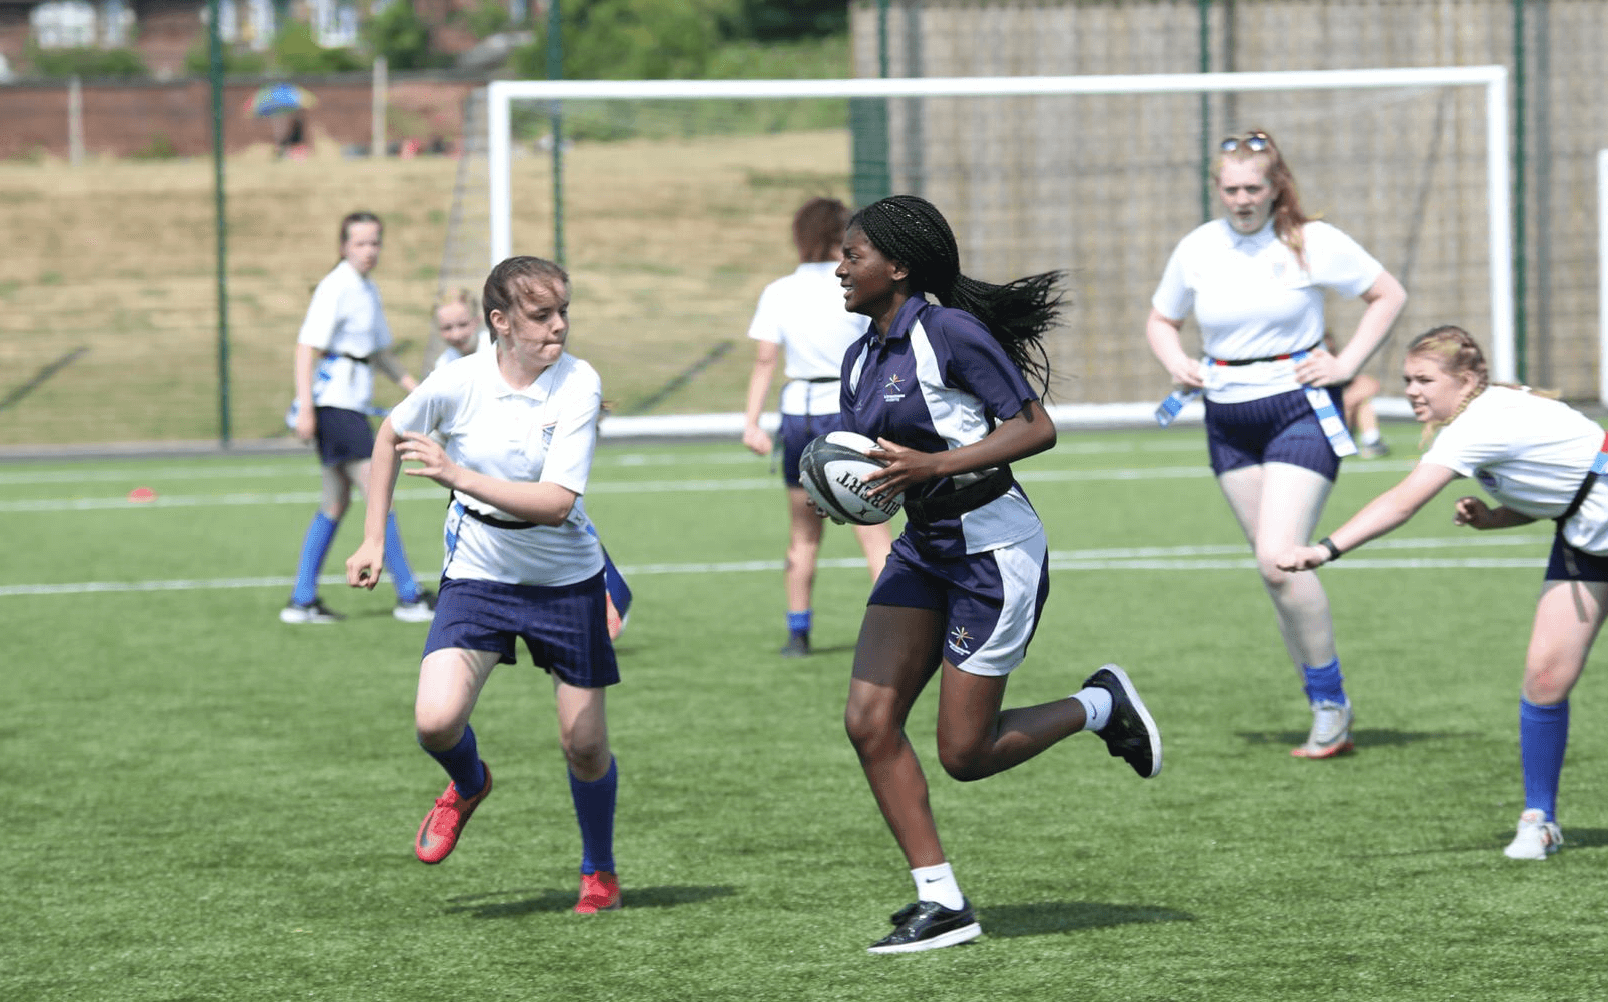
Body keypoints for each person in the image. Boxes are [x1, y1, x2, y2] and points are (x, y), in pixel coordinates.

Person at [835, 195, 1162, 954]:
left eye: (853, 256)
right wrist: (843, 489)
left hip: (993, 553)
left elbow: (1036, 427)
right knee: (867, 721)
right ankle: (941, 901)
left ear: (898, 266)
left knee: (965, 755)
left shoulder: (947, 332)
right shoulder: (859, 355)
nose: (840, 268)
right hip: (923, 548)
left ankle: (1098, 705)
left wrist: (935, 463)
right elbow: (862, 457)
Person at [346, 255, 624, 912]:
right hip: (479, 574)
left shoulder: (578, 382)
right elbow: (389, 434)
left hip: (564, 579)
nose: (557, 327)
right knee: (436, 722)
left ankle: (599, 870)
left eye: (563, 313)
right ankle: (468, 784)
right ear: (498, 322)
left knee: (584, 745)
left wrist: (455, 476)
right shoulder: (457, 380)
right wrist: (372, 536)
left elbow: (556, 502)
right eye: (540, 315)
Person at [1277, 325, 1603, 860]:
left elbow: (1402, 502)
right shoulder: (1490, 409)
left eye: (1425, 379)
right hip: (1586, 541)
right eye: (1407, 379)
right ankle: (1539, 818)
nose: (1411, 390)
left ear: (1468, 379)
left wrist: (1324, 550)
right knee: (1545, 679)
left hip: (1593, 531)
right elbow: (1570, 486)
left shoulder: (1476, 426)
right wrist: (1495, 518)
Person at [1144, 129, 1407, 758]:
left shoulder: (1313, 241)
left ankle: (1329, 705)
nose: (1241, 199)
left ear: (1275, 186)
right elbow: (1161, 319)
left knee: (1278, 559)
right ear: (1218, 190)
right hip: (1227, 421)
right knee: (1276, 575)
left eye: (1253, 187)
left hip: (1301, 410)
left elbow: (1387, 294)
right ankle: (1324, 704)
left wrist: (1346, 366)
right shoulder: (1199, 247)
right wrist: (1177, 360)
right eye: (1230, 188)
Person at [742, 197, 893, 656]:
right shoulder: (851, 285)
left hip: (799, 415)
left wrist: (751, 422)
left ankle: (797, 633)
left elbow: (766, 359)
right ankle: (893, 627)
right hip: (848, 412)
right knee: (874, 530)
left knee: (803, 534)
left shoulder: (778, 291)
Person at [282, 211, 435, 624]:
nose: (369, 250)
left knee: (335, 501)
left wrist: (415, 388)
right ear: (343, 246)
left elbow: (380, 353)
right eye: (360, 243)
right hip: (335, 406)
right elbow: (305, 347)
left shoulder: (367, 289)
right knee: (376, 490)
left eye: (375, 242)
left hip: (349, 406)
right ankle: (410, 595)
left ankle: (301, 600)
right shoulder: (336, 286)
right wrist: (306, 409)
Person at [1325, 331, 1391, 459]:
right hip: (1322, 421)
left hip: (1342, 416)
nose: (1330, 349)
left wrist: (1348, 400)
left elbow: (1370, 384)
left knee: (1362, 402)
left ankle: (1372, 441)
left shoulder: (1338, 366)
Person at [430, 289, 493, 374]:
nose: (456, 335)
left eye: (463, 325)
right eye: (447, 328)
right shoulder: (444, 364)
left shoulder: (498, 351)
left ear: (478, 321)